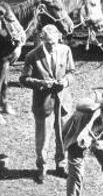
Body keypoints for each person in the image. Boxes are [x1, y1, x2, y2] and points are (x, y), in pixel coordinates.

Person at [20, 24, 76, 184]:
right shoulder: (32, 55)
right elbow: (23, 79)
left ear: (59, 38)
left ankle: (61, 164)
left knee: (63, 135)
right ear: (42, 40)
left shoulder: (65, 50)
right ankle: (41, 168)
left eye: (54, 42)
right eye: (48, 43)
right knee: (43, 138)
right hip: (43, 104)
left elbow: (72, 72)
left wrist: (64, 82)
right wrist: (41, 83)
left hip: (63, 102)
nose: (52, 46)